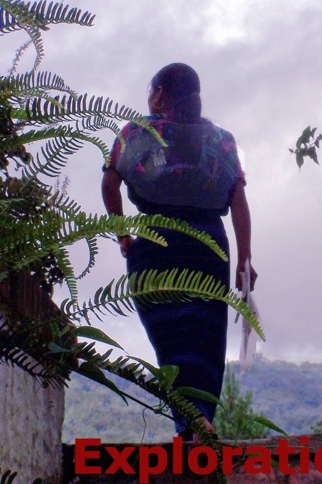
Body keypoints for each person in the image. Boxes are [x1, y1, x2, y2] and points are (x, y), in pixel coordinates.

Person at [101, 63, 257, 439]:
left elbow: (110, 181)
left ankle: (188, 424)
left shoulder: (138, 133)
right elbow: (238, 199)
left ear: (159, 95)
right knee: (206, 338)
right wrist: (245, 259)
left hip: (157, 242)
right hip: (208, 247)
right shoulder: (221, 141)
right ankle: (198, 420)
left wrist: (123, 234)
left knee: (170, 338)